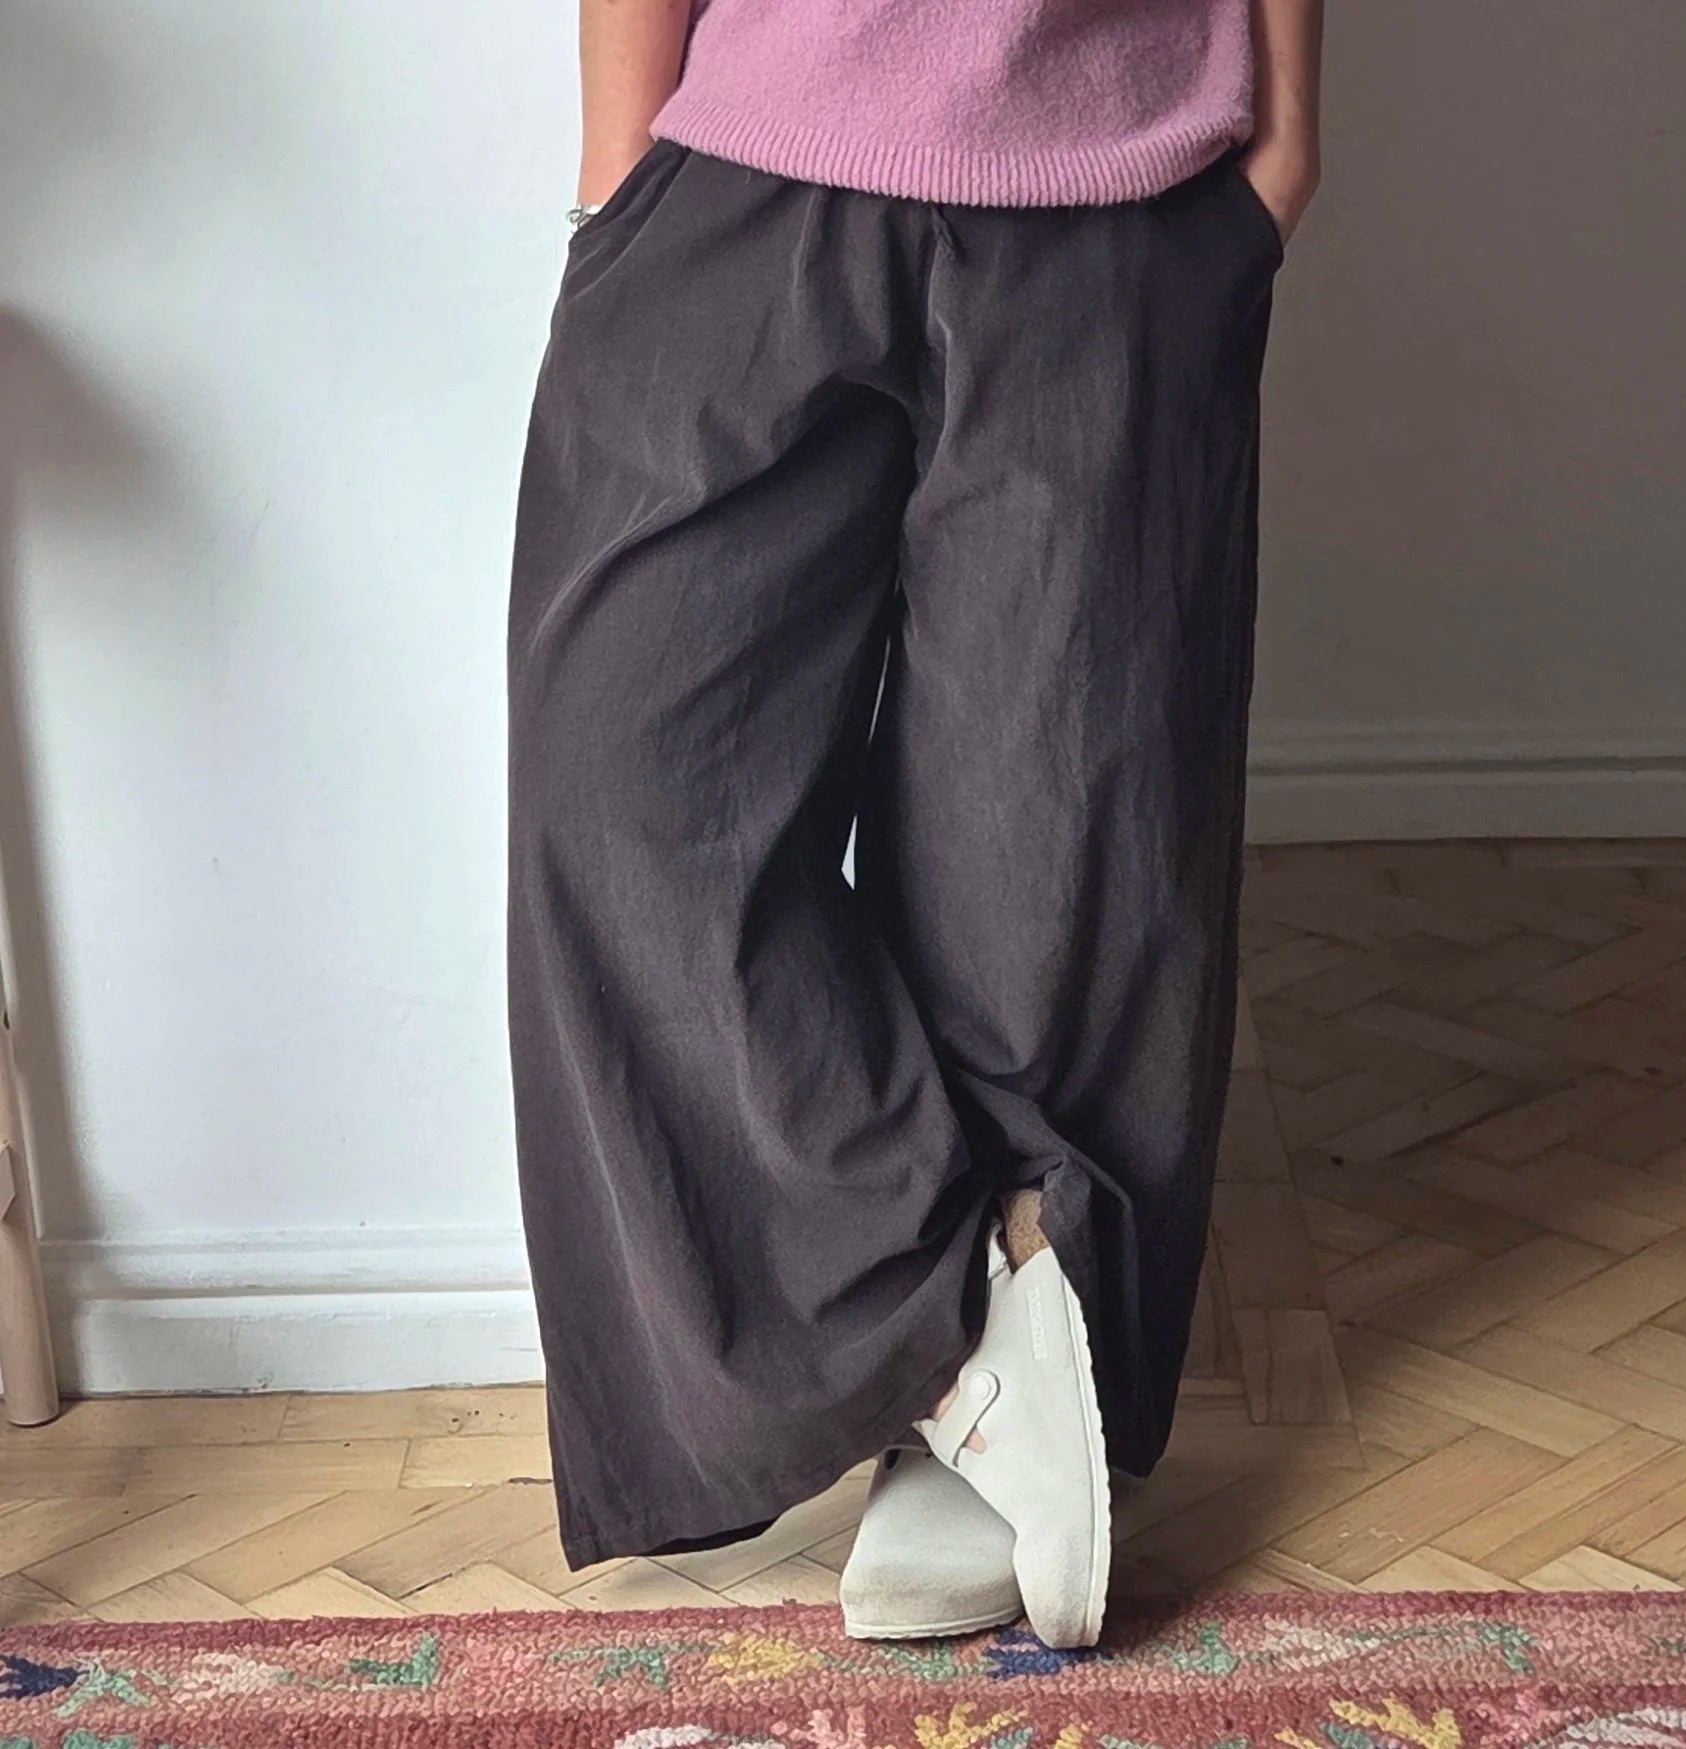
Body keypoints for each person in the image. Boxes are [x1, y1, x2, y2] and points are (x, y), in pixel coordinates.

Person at [508, 0, 1323, 1649]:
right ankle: (966, 1332)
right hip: (736, 169)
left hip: (1123, 189)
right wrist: (621, 170)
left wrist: (1284, 131)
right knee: (624, 781)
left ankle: (1024, 1319)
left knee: (1057, 826)